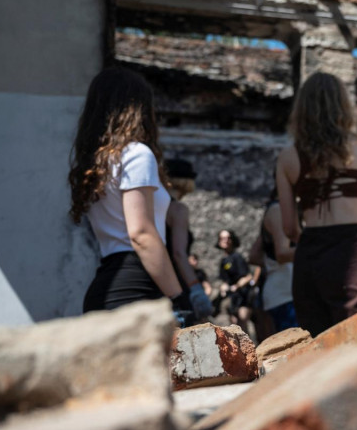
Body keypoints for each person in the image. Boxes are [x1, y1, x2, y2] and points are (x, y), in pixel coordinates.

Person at [68, 67, 189, 313]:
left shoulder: (98, 164)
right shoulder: (136, 154)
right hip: (138, 288)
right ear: (138, 108)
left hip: (107, 287)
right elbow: (141, 234)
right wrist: (178, 297)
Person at [275, 72, 357, 336]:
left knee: (317, 338)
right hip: (351, 244)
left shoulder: (288, 157)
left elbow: (289, 228)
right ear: (343, 105)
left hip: (310, 248)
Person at [164, 158, 213, 322]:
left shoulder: (153, 207)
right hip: (177, 283)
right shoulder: (178, 209)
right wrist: (195, 288)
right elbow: (179, 253)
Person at [249, 187, 299, 335]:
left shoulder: (275, 210)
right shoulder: (278, 210)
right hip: (284, 293)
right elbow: (281, 254)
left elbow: (254, 255)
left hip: (281, 291)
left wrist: (271, 265)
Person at [216, 228, 258, 328]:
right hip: (233, 298)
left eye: (227, 238)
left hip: (244, 296)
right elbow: (224, 280)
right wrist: (223, 288)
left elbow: (248, 277)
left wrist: (236, 286)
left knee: (242, 324)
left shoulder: (237, 257)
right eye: (222, 238)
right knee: (235, 326)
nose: (225, 240)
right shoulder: (224, 261)